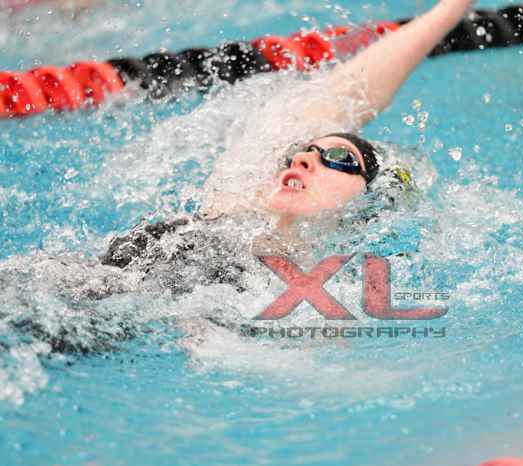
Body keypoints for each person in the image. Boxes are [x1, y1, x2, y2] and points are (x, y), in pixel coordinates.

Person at [1, 0, 475, 354]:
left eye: (337, 156)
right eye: (302, 152)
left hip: (73, 334)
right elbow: (347, 89)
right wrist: (450, 8)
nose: (303, 159)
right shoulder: (236, 203)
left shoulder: (313, 300)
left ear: (366, 206)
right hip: (48, 286)